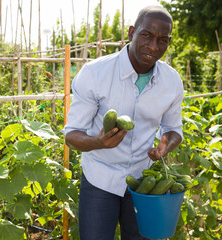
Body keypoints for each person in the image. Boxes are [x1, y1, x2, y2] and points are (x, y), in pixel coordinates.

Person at [63, 5, 184, 240]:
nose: (153, 46)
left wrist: (165, 146)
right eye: (146, 35)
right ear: (131, 33)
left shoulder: (172, 81)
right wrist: (97, 142)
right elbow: (71, 135)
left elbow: (173, 129)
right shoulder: (95, 73)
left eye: (162, 40)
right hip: (100, 179)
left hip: (143, 183)